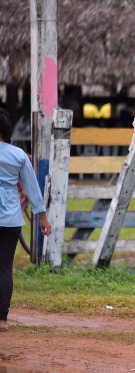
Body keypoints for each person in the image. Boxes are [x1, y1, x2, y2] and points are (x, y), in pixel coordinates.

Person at [0, 109, 52, 332]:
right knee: (4, 268)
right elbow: (32, 188)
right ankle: (2, 319)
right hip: (10, 219)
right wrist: (42, 217)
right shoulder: (18, 155)